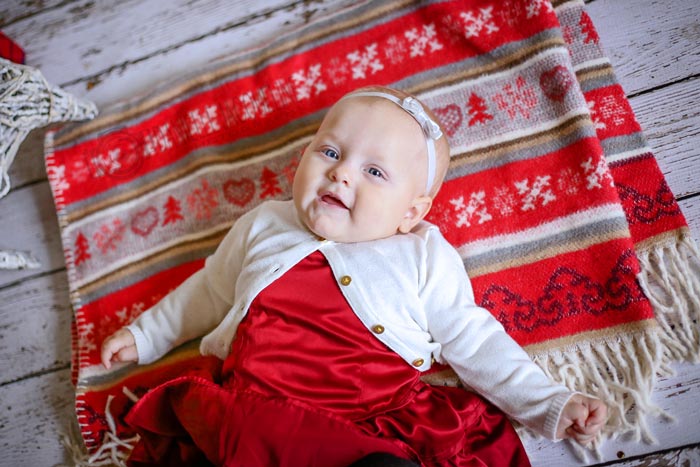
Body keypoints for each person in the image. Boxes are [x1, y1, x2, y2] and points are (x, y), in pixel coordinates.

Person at [101, 86, 607, 467]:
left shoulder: (421, 254)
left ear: (412, 211)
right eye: (331, 152)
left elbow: (473, 338)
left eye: (375, 172)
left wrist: (547, 403)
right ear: (303, 158)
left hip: (364, 424)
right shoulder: (266, 224)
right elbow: (210, 290)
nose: (342, 174)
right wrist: (146, 334)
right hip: (251, 410)